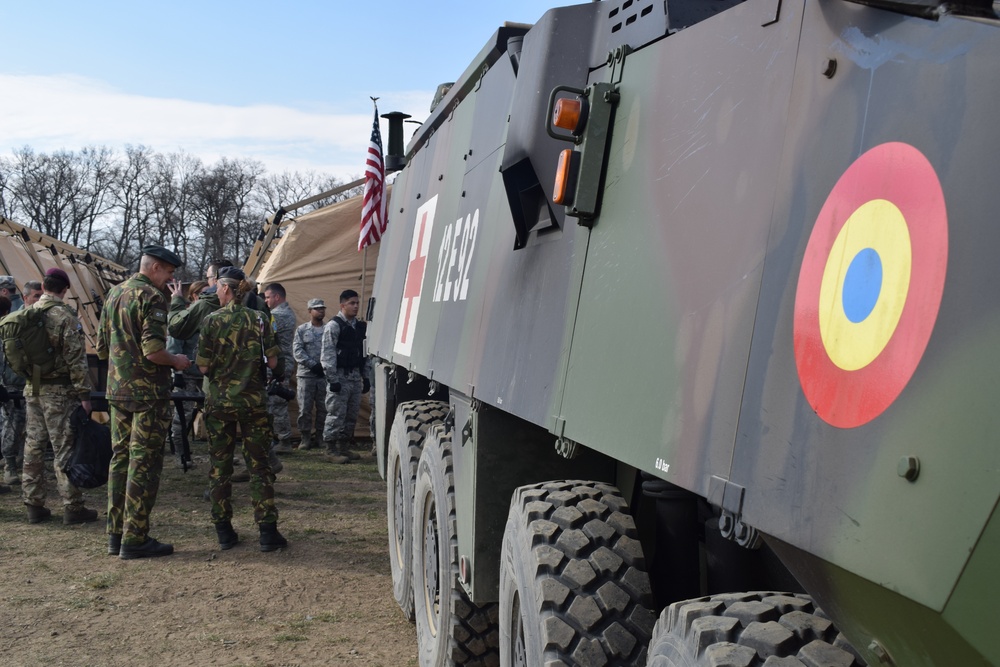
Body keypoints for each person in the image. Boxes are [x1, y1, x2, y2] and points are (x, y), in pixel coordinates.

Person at [98, 245, 191, 559]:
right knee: (144, 464)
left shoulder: (113, 294)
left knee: (120, 461)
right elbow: (154, 351)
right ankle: (135, 538)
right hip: (147, 395)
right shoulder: (152, 298)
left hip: (117, 391)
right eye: (168, 273)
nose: (169, 280)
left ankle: (116, 533)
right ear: (155, 268)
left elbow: (100, 348)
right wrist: (176, 361)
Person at [197, 266, 287, 552]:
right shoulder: (260, 319)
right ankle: (267, 533)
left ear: (224, 288)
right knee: (260, 467)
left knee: (220, 467)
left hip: (220, 403)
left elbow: (202, 366)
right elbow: (273, 363)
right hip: (253, 403)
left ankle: (224, 531)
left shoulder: (211, 321)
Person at [168, 259, 277, 477]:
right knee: (253, 431)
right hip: (251, 383)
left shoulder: (207, 308)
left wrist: (177, 302)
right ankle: (264, 465)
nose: (211, 285)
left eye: (212, 280)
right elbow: (272, 352)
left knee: (220, 433)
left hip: (217, 382)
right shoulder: (257, 306)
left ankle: (214, 478)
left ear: (222, 284)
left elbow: (177, 330)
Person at [19, 268, 97, 524]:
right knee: (63, 446)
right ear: (64, 290)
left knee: (34, 445)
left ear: (43, 285)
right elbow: (77, 360)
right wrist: (85, 395)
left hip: (33, 387)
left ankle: (33, 504)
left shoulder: (25, 313)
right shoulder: (64, 316)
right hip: (59, 391)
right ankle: (72, 506)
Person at [320, 290, 369, 464]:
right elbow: (327, 354)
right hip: (339, 378)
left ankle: (343, 446)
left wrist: (366, 376)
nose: (356, 306)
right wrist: (332, 380)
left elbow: (363, 354)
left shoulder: (359, 326)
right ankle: (330, 449)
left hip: (355, 377)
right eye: (352, 303)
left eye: (357, 303)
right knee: (336, 414)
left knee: (351, 415)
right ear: (343, 305)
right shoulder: (334, 326)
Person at [165, 279, 208, 469]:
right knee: (183, 417)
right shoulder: (186, 317)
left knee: (216, 416)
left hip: (207, 375)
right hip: (189, 374)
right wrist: (178, 374)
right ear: (195, 296)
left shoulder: (213, 315)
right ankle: (182, 455)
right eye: (205, 294)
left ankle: (221, 454)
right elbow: (174, 347)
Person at [262, 283, 296, 455]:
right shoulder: (285, 312)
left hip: (278, 363)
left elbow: (266, 336)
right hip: (280, 362)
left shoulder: (278, 315)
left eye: (267, 297)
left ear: (277, 297)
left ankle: (284, 440)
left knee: (277, 402)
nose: (266, 301)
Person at [292, 298, 328, 451]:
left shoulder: (329, 329)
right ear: (309, 311)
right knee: (305, 409)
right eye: (317, 308)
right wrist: (312, 365)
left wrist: (324, 366)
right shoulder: (302, 330)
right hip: (306, 376)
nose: (320, 311)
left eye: (322, 308)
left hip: (324, 376)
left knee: (324, 408)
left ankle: (320, 437)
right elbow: (297, 351)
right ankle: (305, 437)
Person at [0, 295, 27, 487]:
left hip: (14, 385)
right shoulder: (12, 329)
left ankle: (12, 463)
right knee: (11, 427)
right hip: (9, 386)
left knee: (14, 427)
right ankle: (9, 465)